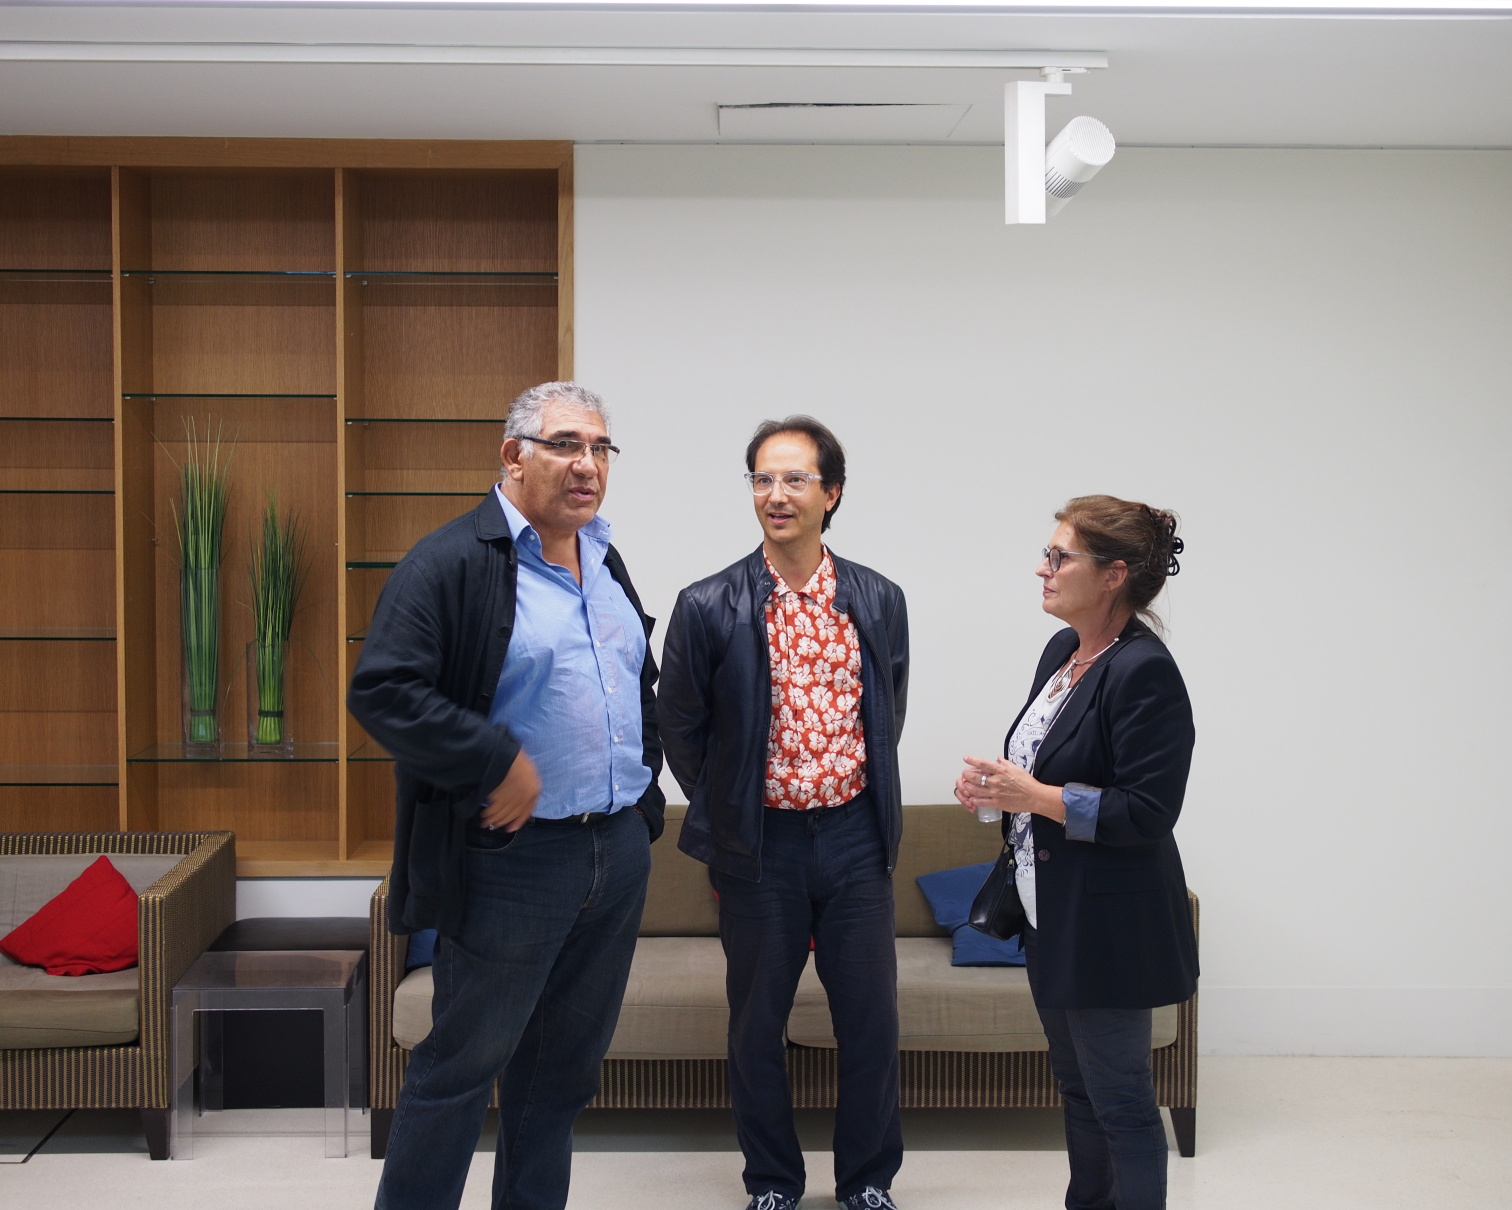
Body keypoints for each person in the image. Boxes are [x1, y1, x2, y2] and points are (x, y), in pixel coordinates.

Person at [349, 381, 665, 1210]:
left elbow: (633, 680)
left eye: (599, 448)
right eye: (565, 445)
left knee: (559, 1077)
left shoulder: (604, 556)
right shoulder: (450, 561)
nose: (586, 464)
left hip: (612, 853)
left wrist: (642, 800)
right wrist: (492, 759)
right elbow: (383, 691)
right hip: (512, 860)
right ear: (513, 456)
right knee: (461, 1069)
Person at [659, 416, 910, 1210]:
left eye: (795, 479)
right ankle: (772, 1181)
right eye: (763, 478)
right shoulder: (707, 604)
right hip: (759, 845)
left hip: (855, 838)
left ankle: (866, 1180)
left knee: (870, 1022)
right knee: (755, 1023)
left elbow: (886, 714)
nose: (776, 494)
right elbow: (679, 727)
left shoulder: (878, 599)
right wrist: (729, 804)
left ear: (830, 493)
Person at [954, 495, 1196, 1210]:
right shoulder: (1063, 653)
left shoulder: (1143, 670)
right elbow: (1047, 770)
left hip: (1109, 925)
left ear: (1114, 574)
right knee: (1079, 1089)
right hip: (1050, 913)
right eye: (1047, 553)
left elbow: (1147, 811)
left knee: (1120, 1100)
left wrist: (1034, 795)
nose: (1043, 568)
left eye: (1060, 557)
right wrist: (997, 791)